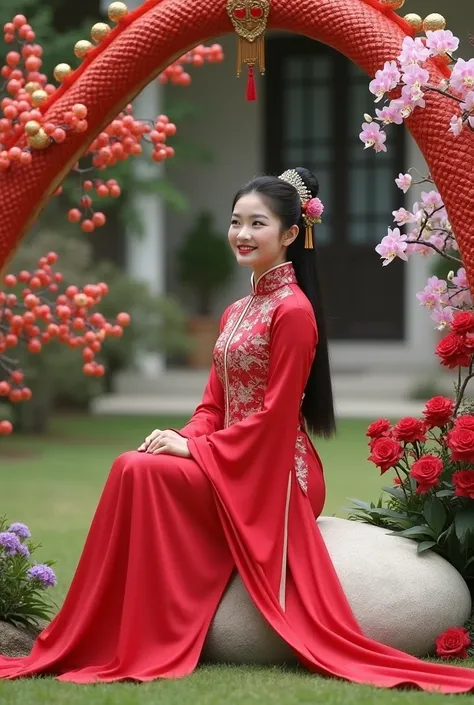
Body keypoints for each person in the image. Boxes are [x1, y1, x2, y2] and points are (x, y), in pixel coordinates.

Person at [0, 167, 474, 692]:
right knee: (136, 465)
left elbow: (274, 421)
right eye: (236, 221)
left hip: (277, 468)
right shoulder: (235, 312)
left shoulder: (294, 312)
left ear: (291, 234)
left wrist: (195, 450)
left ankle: (136, 633)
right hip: (227, 455)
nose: (242, 234)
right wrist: (180, 439)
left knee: (137, 471)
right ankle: (105, 631)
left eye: (258, 223)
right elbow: (211, 406)